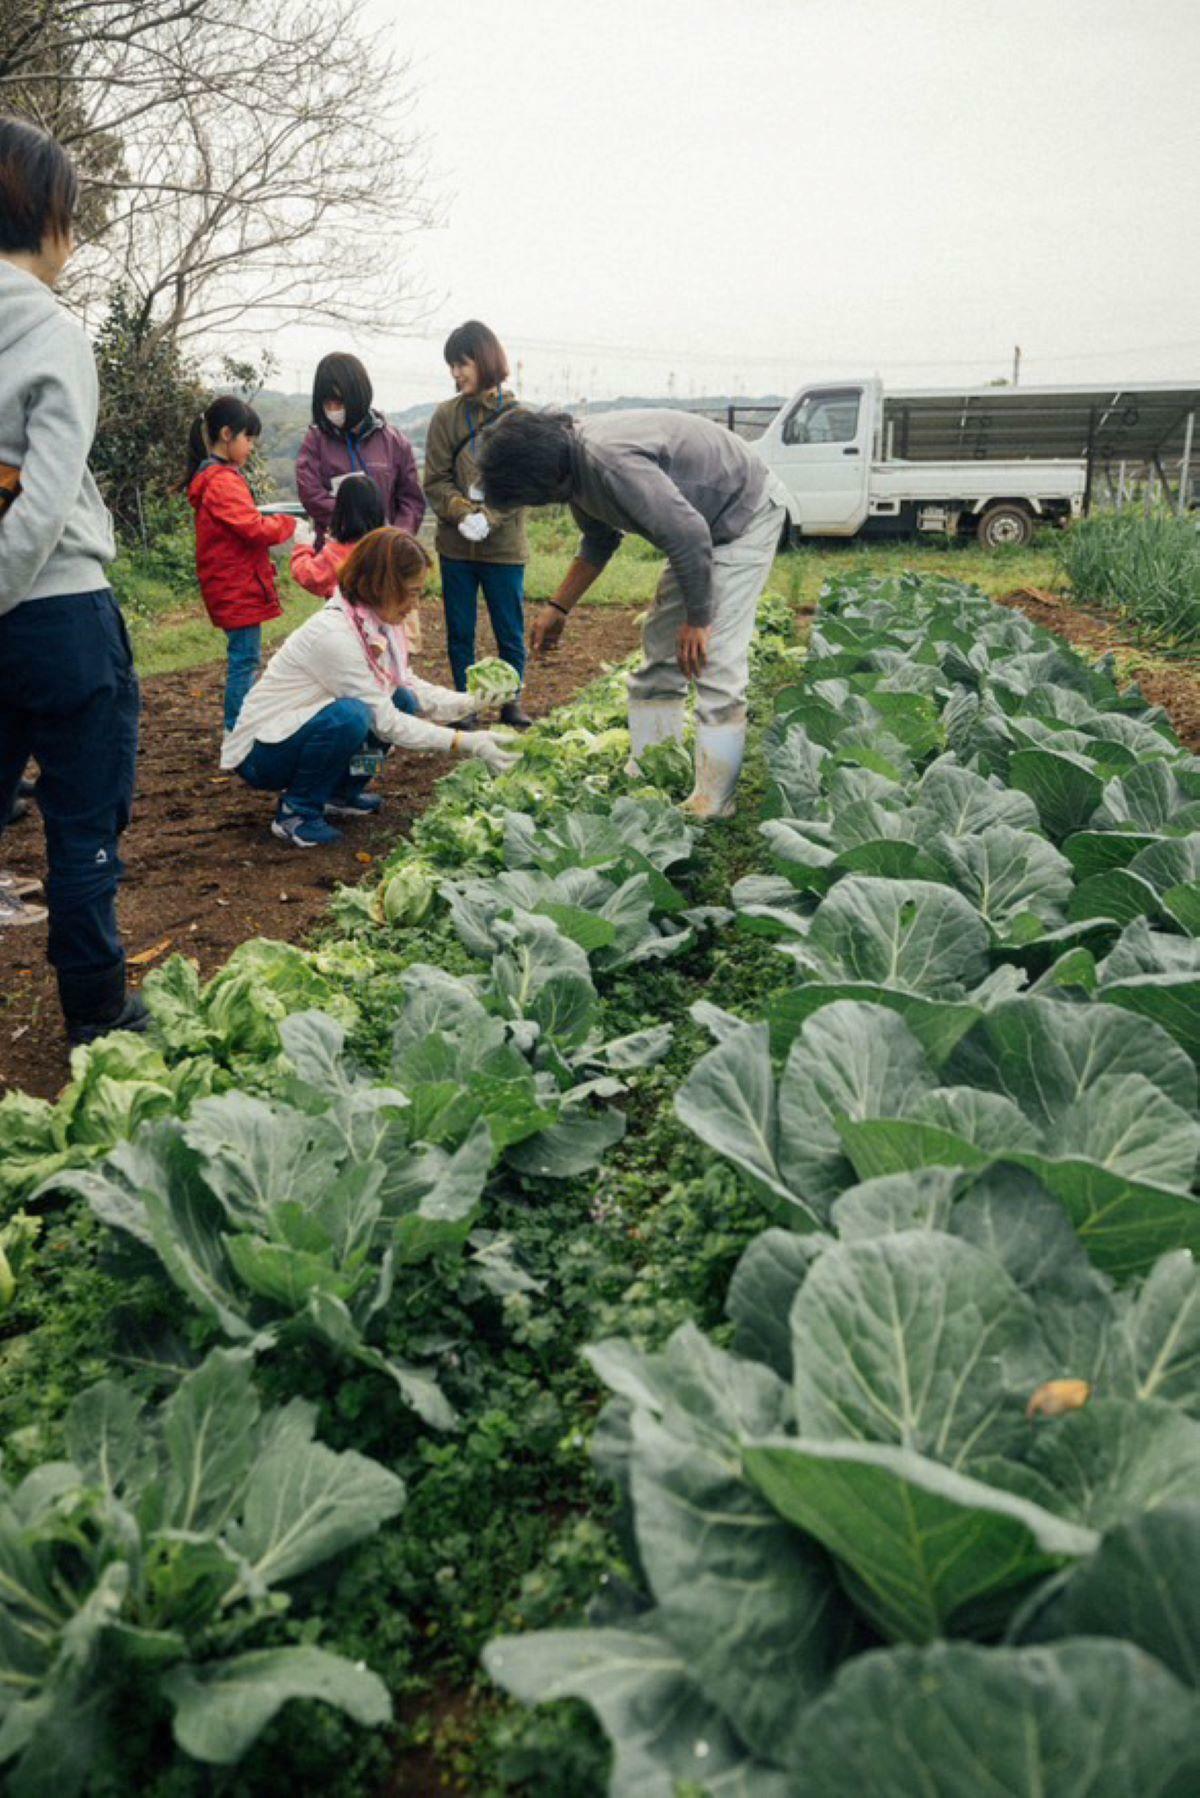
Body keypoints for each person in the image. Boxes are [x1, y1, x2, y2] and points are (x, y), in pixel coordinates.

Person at [0, 115, 145, 1040]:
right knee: (83, 829)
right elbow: (46, 505)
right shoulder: (52, 333)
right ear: (47, 217)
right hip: (58, 617)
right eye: (73, 218)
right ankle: (96, 1017)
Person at [477, 407, 788, 817]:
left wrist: (698, 619)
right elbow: (599, 541)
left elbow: (690, 535)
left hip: (742, 516)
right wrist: (558, 607)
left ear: (541, 480)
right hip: (698, 530)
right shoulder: (573, 470)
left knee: (714, 657)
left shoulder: (608, 461)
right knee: (661, 645)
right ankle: (655, 768)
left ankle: (715, 800)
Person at [221, 527, 516, 847]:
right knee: (352, 716)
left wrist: (471, 702)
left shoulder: (371, 623)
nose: (414, 605)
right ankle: (297, 811)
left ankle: (342, 792)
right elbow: (386, 722)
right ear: (382, 584)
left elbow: (407, 686)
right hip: (261, 754)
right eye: (412, 592)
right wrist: (465, 741)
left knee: (400, 698)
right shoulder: (335, 635)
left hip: (291, 734)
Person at [422, 321, 531, 726]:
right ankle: (464, 706)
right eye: (451, 366)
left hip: (504, 547)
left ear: (484, 360)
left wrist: (489, 518)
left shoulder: (517, 418)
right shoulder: (445, 416)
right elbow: (434, 479)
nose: (455, 374)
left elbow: (521, 484)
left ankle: (512, 702)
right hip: (456, 547)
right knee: (460, 631)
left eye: (461, 364)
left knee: (510, 627)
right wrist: (461, 512)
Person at [187, 396, 300, 733]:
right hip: (237, 586)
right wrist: (290, 524)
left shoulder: (220, 478)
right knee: (244, 661)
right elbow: (252, 527)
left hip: (234, 582)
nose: (251, 446)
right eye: (248, 438)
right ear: (226, 434)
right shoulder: (222, 482)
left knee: (245, 658)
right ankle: (238, 728)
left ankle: (241, 724)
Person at [290, 471, 384, 599]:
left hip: (347, 617)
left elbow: (308, 576)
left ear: (342, 508)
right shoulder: (387, 547)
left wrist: (303, 546)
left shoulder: (336, 554)